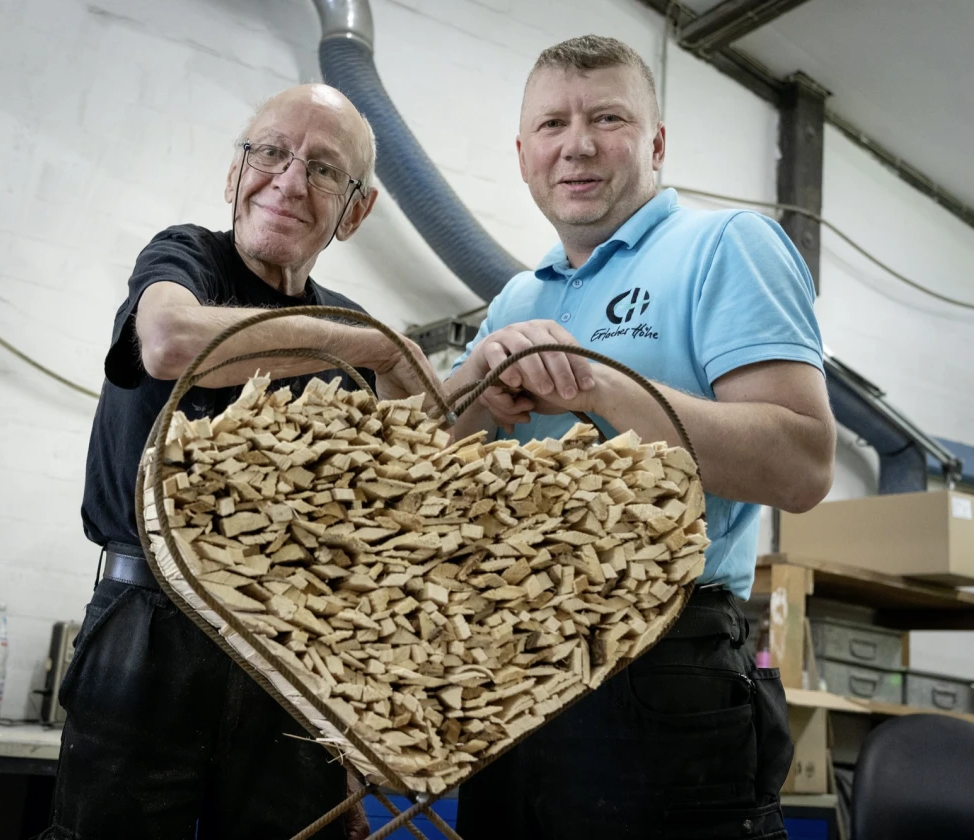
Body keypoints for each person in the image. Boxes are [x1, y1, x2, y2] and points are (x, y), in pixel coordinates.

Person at [446, 36, 836, 839]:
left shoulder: (727, 245)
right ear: (522, 156)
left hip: (659, 662)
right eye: (552, 124)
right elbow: (430, 469)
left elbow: (803, 463)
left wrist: (600, 383)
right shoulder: (516, 298)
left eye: (607, 118)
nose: (577, 145)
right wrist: (472, 388)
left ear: (656, 143)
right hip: (506, 668)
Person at [44, 83, 440, 840]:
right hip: (149, 627)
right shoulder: (186, 260)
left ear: (356, 211)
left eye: (324, 169)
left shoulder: (354, 333)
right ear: (235, 173)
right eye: (271, 153)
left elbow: (391, 513)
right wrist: (361, 346)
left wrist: (352, 737)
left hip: (293, 649)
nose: (289, 181)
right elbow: (170, 345)